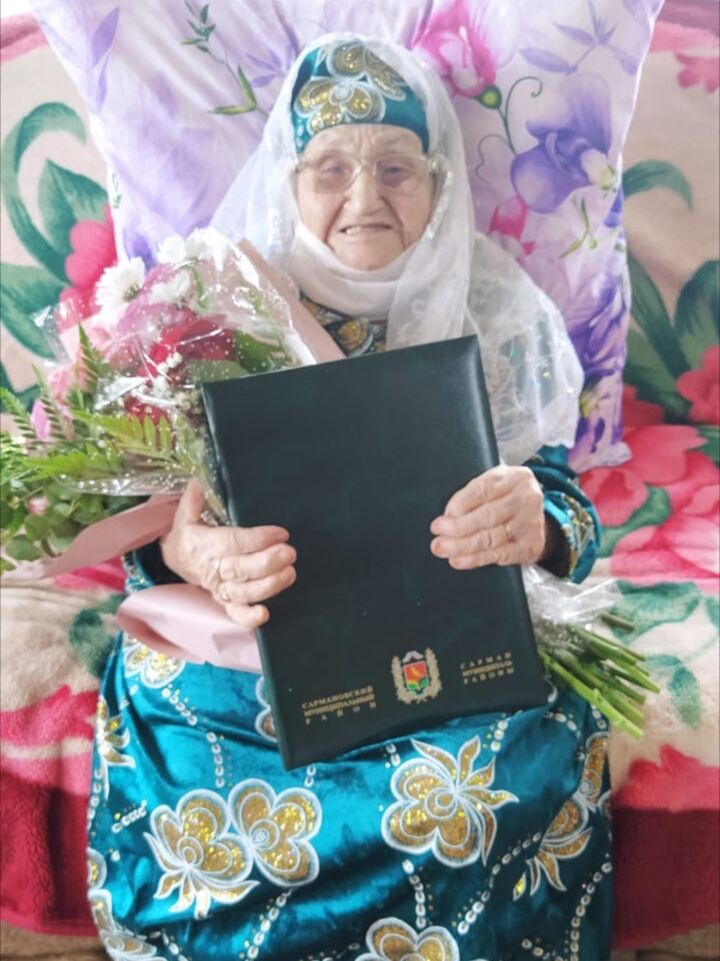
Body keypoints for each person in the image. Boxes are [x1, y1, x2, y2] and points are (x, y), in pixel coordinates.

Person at [87, 36, 612, 961]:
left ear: (438, 184)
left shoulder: (496, 312)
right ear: (288, 181)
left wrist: (536, 521)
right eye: (330, 167)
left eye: (396, 167)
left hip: (449, 648)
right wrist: (193, 552)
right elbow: (147, 521)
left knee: (525, 752)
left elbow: (568, 505)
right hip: (257, 648)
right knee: (172, 704)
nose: (365, 196)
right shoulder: (217, 308)